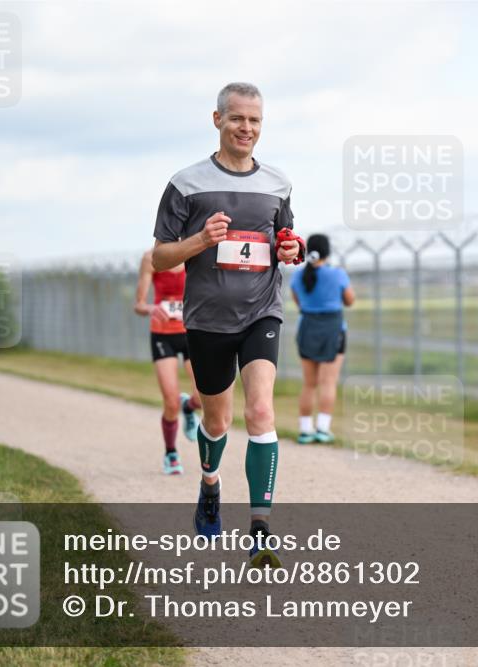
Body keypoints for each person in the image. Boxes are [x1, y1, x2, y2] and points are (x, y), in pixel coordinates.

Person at [152, 82, 302, 567]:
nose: (247, 128)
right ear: (217, 120)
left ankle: (260, 530)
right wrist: (199, 240)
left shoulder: (278, 183)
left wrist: (289, 250)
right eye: (238, 118)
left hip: (262, 312)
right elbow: (159, 257)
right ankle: (210, 482)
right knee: (217, 422)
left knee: (260, 412)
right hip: (208, 321)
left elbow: (285, 241)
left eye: (255, 120)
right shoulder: (186, 183)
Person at [134, 251, 204, 475]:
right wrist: (151, 309)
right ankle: (171, 453)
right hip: (163, 335)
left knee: (203, 397)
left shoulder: (196, 253)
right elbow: (139, 304)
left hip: (192, 332)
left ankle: (189, 407)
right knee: (170, 402)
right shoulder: (152, 258)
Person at [290, 234, 355, 443]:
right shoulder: (338, 274)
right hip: (333, 330)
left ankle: (305, 429)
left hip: (307, 328)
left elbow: (300, 303)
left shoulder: (298, 276)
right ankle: (323, 429)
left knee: (309, 384)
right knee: (328, 382)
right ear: (327, 252)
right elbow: (350, 300)